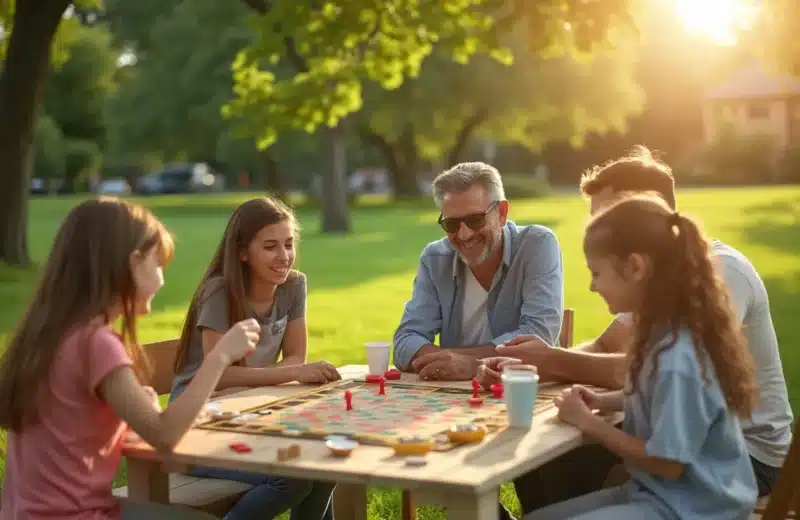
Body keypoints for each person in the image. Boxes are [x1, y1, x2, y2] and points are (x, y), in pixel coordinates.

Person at [482, 147, 793, 513]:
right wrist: (533, 366)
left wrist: (552, 361)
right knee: (545, 456)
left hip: (738, 461)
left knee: (563, 456)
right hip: (682, 453)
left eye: (608, 218)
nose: (596, 231)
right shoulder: (656, 290)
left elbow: (632, 369)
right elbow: (605, 348)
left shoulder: (716, 275)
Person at [0, 197, 259, 520]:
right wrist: (220, 356)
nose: (162, 279)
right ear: (133, 263)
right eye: (158, 265)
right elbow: (164, 435)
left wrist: (134, 408)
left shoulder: (45, 334)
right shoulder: (96, 343)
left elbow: (77, 424)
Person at [527, 193, 760, 519]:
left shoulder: (677, 355)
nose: (593, 287)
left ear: (636, 267)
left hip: (698, 508)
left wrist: (589, 423)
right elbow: (658, 398)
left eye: (596, 273)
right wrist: (602, 401)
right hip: (659, 494)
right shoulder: (661, 334)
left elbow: (668, 463)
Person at [170, 197, 339, 520]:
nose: (284, 256)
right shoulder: (219, 291)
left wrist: (257, 385)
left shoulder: (293, 286)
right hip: (195, 427)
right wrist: (287, 374)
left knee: (324, 462)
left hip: (250, 413)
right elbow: (218, 375)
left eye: (289, 244)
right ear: (242, 252)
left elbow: (294, 356)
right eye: (271, 247)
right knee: (293, 476)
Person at [393, 161, 564, 382]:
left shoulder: (537, 244)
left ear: (501, 213)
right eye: (452, 224)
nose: (463, 235)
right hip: (454, 397)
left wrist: (472, 364)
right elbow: (405, 342)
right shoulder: (434, 258)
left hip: (521, 390)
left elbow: (539, 337)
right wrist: (453, 362)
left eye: (475, 220)